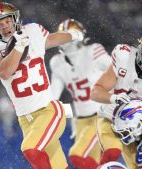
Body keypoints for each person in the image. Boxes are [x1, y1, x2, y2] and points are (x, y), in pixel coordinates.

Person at [0, 2, 84, 169]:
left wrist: (74, 35)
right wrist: (19, 46)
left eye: (7, 21)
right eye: (0, 25)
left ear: (15, 19)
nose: (5, 27)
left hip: (49, 111)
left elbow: (51, 39)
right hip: (25, 119)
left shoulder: (33, 31)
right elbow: (4, 71)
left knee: (30, 149)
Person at [90, 29, 142, 169]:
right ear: (140, 50)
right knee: (111, 154)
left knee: (139, 165)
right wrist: (113, 98)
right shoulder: (124, 56)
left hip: (138, 129)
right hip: (110, 117)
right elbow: (95, 92)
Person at [49, 18, 111, 169]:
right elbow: (52, 96)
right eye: (63, 36)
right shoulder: (57, 62)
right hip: (80, 120)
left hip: (100, 116)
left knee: (77, 155)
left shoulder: (93, 51)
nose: (66, 40)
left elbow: (117, 73)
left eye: (69, 35)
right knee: (91, 163)